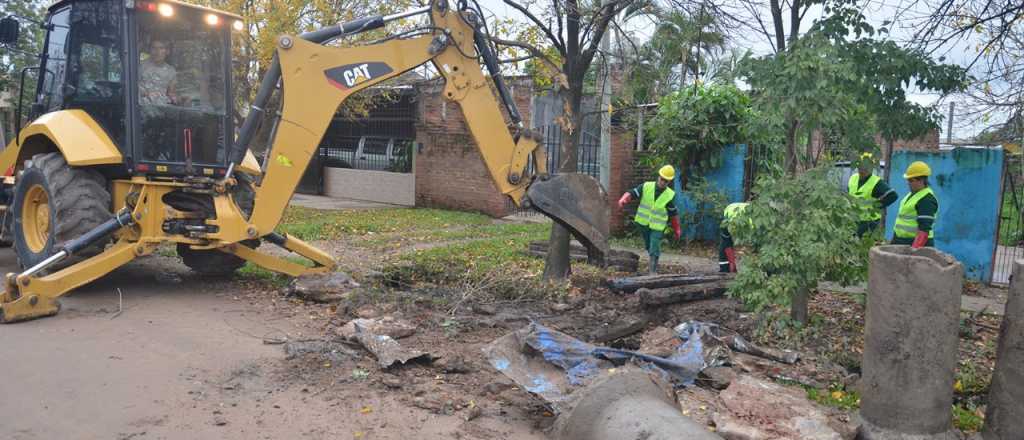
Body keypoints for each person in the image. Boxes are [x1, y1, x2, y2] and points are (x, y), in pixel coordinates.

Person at [618, 165, 682, 274]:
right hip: (643, 224)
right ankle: (654, 262)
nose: (663, 182)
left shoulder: (669, 195)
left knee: (654, 245)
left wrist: (677, 229)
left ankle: (652, 271)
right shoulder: (646, 186)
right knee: (649, 245)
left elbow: (673, 214)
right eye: (662, 179)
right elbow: (633, 193)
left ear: (669, 182)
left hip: (658, 227)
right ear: (658, 177)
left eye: (666, 181)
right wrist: (623, 199)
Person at [848, 152, 897, 237]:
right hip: (853, 218)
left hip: (869, 221)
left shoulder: (876, 182)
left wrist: (876, 206)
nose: (863, 169)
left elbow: (893, 196)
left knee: (863, 242)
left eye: (867, 166)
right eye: (861, 166)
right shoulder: (853, 178)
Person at [892, 161, 939, 248]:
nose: (908, 183)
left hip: (915, 244)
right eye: (908, 180)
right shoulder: (911, 195)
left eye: (911, 180)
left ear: (921, 180)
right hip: (902, 241)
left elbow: (924, 230)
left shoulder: (926, 200)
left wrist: (914, 251)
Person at [139, 39, 178, 105]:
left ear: (167, 51)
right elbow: (132, 88)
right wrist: (147, 93)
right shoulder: (140, 66)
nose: (157, 52)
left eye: (161, 48)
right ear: (150, 50)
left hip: (161, 106)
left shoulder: (171, 71)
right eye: (154, 48)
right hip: (142, 106)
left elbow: (171, 93)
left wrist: (177, 98)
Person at [719, 202, 747, 273]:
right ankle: (727, 267)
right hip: (730, 217)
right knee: (726, 242)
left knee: (726, 241)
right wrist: (732, 263)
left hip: (729, 212)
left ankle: (727, 267)